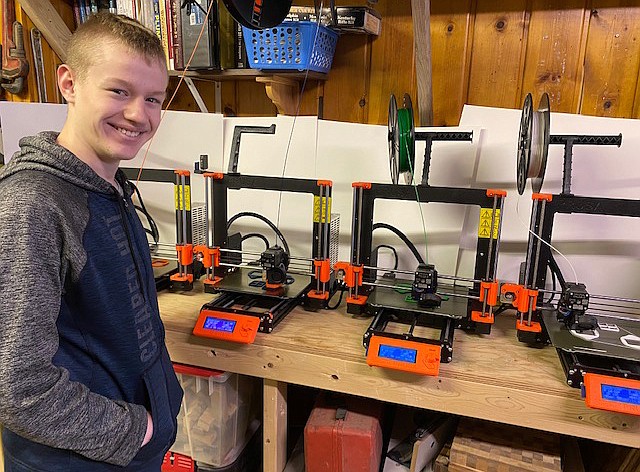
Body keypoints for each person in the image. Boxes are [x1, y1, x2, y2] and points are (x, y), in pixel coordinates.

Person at [0, 12, 182, 471]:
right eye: (119, 90)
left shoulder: (107, 189)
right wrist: (134, 429)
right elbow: (17, 386)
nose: (139, 114)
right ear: (69, 83)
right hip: (76, 460)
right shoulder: (33, 204)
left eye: (153, 98)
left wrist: (161, 408)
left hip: (128, 453)